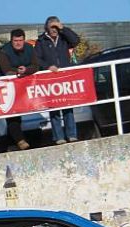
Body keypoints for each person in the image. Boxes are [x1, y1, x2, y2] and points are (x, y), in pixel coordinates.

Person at [35, 16, 80, 145]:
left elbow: (76, 41)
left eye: (56, 27)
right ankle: (58, 137)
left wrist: (62, 28)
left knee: (68, 107)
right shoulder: (41, 41)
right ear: (46, 28)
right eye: (52, 27)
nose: (54, 30)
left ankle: (71, 135)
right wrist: (47, 67)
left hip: (65, 78)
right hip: (50, 79)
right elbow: (36, 58)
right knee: (54, 108)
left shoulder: (64, 37)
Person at [0, 29, 40, 151]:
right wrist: (18, 72)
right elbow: (6, 70)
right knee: (12, 113)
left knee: (22, 112)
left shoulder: (30, 48)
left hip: (24, 85)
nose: (18, 43)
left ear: (24, 40)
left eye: (20, 40)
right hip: (6, 87)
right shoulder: (3, 51)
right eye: (15, 40)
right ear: (11, 40)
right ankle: (20, 141)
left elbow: (36, 65)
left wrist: (26, 70)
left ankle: (13, 143)